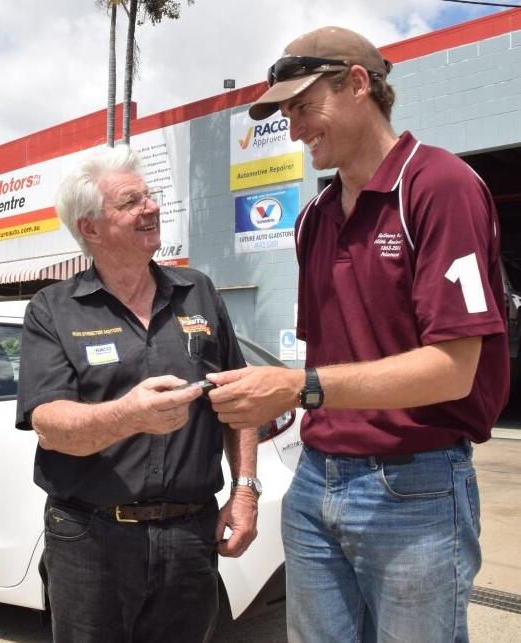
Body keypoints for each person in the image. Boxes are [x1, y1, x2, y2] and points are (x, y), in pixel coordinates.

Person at [207, 26, 509, 643]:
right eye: (285, 114)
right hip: (317, 480)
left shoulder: (438, 186)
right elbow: (332, 353)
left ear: (357, 84)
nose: (293, 130)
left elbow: (455, 368)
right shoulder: (314, 218)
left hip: (415, 484)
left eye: (302, 107)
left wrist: (297, 388)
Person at [15, 144, 259, 643]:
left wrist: (245, 490)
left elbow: (240, 399)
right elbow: (49, 425)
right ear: (90, 228)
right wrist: (127, 415)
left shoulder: (200, 292)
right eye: (130, 202)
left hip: (190, 535)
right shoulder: (53, 309)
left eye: (149, 196)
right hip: (89, 538)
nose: (150, 207)